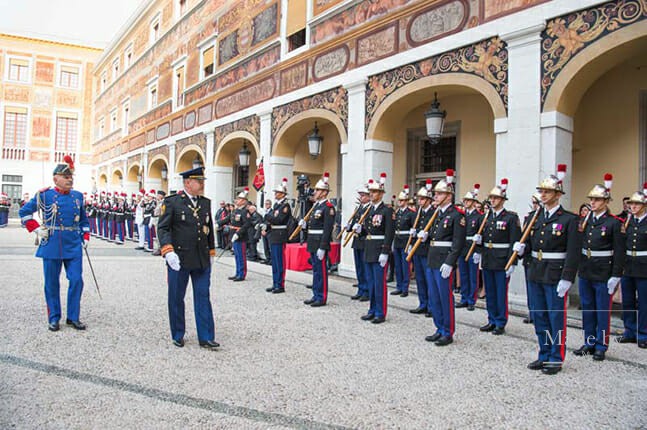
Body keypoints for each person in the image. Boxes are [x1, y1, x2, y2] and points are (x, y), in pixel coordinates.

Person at [515, 164, 581, 375]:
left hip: (555, 273)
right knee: (540, 315)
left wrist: (567, 278)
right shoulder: (537, 217)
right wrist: (523, 249)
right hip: (536, 271)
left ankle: (555, 357)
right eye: (541, 191)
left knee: (555, 317)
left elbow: (573, 252)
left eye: (547, 191)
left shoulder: (569, 219)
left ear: (557, 194)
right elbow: (534, 245)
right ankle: (544, 353)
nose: (542, 195)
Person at [18, 155, 90, 331]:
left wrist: (85, 237)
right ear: (55, 178)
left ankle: (73, 317)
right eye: (66, 177)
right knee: (51, 282)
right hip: (51, 243)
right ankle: (54, 317)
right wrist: (35, 228)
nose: (70, 180)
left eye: (71, 177)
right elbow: (24, 212)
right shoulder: (44, 195)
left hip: (73, 243)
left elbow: (84, 221)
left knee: (76, 280)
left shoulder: (78, 196)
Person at [157, 166, 218, 349]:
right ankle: (177, 333)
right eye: (198, 181)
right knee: (176, 296)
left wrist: (211, 252)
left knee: (203, 296)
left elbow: (209, 229)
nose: (201, 184)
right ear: (187, 183)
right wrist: (168, 251)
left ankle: (206, 336)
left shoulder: (205, 203)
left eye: (202, 181)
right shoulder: (173, 202)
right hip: (180, 258)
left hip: (200, 258)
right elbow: (163, 228)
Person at [574, 174, 624, 361]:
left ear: (605, 202)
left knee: (602, 310)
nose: (592, 202)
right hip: (587, 270)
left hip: (604, 271)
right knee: (587, 308)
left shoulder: (613, 223)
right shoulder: (586, 221)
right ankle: (589, 342)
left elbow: (619, 251)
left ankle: (601, 345)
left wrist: (616, 275)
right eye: (591, 199)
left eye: (596, 199)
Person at [473, 179, 521, 336]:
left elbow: (514, 241)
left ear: (502, 200)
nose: (492, 200)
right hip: (488, 258)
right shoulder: (486, 218)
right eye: (491, 198)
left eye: (495, 198)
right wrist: (478, 246)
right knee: (490, 292)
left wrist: (512, 262)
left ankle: (500, 321)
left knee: (501, 293)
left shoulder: (511, 218)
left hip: (502, 260)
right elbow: (483, 238)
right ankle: (491, 319)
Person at [422, 169, 465, 346]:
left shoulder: (457, 215)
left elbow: (458, 242)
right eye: (436, 194)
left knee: (444, 297)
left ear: (448, 196)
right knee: (434, 296)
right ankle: (439, 327)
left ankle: (447, 331)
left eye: (439, 194)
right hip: (432, 258)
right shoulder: (436, 214)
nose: (436, 197)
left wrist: (450, 263)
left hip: (444, 261)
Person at [353, 173, 394, 323]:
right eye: (370, 191)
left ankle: (380, 312)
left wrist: (385, 251)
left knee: (379, 282)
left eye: (374, 192)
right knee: (370, 281)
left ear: (381, 194)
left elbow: (389, 232)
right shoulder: (369, 210)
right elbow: (368, 230)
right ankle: (372, 309)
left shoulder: (387, 210)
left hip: (379, 248)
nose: (371, 194)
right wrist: (360, 230)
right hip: (368, 247)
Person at [618, 183, 647, 348]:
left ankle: (643, 334)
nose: (633, 207)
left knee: (644, 302)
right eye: (631, 204)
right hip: (628, 266)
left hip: (644, 266)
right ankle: (629, 331)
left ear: (644, 206)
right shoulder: (627, 222)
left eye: (636, 204)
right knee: (627, 300)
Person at [300, 172, 335, 307]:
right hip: (313, 241)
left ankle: (322, 297)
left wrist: (323, 246)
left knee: (321, 271)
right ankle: (315, 294)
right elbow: (313, 225)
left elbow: (327, 229)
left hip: (320, 242)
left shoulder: (328, 208)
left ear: (325, 192)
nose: (315, 192)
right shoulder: (316, 207)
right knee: (315, 270)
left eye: (318, 190)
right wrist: (304, 226)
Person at [409, 179, 434, 317]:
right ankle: (423, 303)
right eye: (419, 198)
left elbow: (436, 232)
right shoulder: (417, 213)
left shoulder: (433, 213)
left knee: (428, 279)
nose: (420, 201)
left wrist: (427, 235)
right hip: (417, 250)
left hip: (428, 250)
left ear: (429, 200)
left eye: (423, 198)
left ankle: (431, 305)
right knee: (420, 279)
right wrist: (412, 239)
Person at [456, 184, 482, 311]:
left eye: (468, 201)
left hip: (473, 248)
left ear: (473, 202)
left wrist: (478, 250)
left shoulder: (479, 216)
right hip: (463, 248)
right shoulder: (462, 215)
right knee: (464, 274)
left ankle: (472, 299)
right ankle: (464, 298)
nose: (466, 203)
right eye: (465, 200)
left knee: (473, 276)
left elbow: (481, 235)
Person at [264, 179, 291, 293]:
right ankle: (275, 282)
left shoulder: (285, 206)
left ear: (283, 194)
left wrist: (267, 216)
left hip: (280, 234)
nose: (275, 194)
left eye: (278, 193)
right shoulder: (276, 205)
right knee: (274, 261)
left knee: (279, 261)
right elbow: (272, 219)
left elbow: (279, 220)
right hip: (273, 234)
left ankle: (280, 284)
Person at [346, 184, 370, 301]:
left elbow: (371, 227)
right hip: (357, 240)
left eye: (363, 195)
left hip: (365, 241)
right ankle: (360, 289)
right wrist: (349, 227)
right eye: (360, 195)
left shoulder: (370, 209)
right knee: (359, 267)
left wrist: (363, 229)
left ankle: (367, 290)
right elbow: (355, 221)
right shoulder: (359, 208)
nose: (361, 197)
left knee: (365, 268)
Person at [391, 185, 415, 297]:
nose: (399, 202)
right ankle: (399, 286)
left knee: (405, 265)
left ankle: (405, 288)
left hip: (406, 240)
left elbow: (413, 229)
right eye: (399, 200)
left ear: (406, 201)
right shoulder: (397, 213)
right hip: (397, 240)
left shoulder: (411, 213)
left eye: (401, 200)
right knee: (398, 265)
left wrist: (411, 243)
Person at [521, 193, 541, 324]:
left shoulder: (542, 218)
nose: (535, 205)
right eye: (533, 203)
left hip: (543, 260)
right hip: (530, 258)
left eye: (537, 203)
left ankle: (539, 314)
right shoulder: (529, 218)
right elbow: (525, 237)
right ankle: (532, 312)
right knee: (531, 289)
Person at [227, 188, 252, 281]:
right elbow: (230, 220)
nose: (237, 200)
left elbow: (247, 224)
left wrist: (238, 233)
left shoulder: (245, 212)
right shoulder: (236, 211)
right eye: (237, 199)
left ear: (244, 201)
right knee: (237, 256)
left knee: (241, 256)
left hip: (241, 236)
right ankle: (237, 272)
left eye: (239, 199)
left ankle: (242, 274)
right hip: (234, 235)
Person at [261, 199, 272, 264]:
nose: (266, 205)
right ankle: (267, 258)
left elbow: (270, 222)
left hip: (269, 231)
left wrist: (265, 229)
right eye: (265, 204)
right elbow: (262, 221)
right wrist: (262, 230)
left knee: (269, 246)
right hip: (263, 230)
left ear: (270, 205)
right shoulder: (264, 212)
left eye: (267, 204)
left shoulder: (272, 212)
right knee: (265, 246)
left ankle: (271, 260)